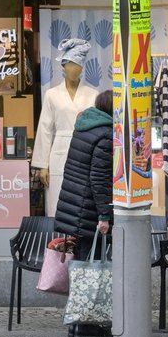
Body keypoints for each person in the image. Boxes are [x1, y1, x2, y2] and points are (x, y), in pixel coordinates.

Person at [53, 90, 115, 337]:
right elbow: (99, 179)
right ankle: (87, 322)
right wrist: (104, 215)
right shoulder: (105, 134)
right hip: (88, 210)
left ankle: (78, 322)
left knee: (82, 265)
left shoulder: (84, 127)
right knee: (91, 266)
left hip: (76, 206)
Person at [32, 38, 100, 216]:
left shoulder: (93, 95)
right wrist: (42, 165)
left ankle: (82, 240)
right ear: (63, 66)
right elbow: (45, 130)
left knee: (83, 200)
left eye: (77, 65)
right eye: (69, 64)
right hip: (59, 151)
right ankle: (57, 240)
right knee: (57, 200)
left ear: (82, 68)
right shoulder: (52, 95)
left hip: (86, 151)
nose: (73, 69)